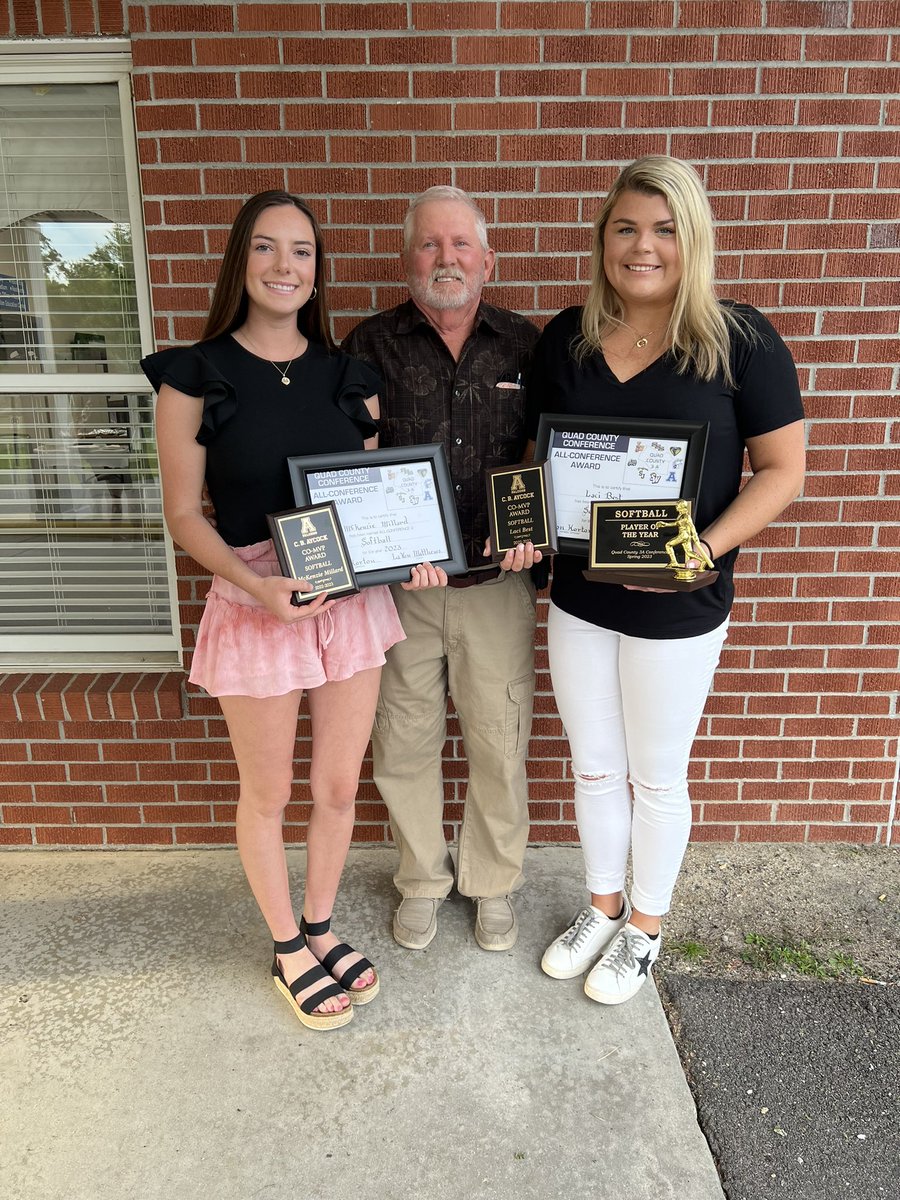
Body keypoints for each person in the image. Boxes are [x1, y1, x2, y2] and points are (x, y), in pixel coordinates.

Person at [142, 190, 445, 1031]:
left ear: (319, 270)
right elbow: (182, 515)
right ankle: (285, 945)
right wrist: (254, 589)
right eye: (269, 249)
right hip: (255, 598)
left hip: (347, 598)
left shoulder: (352, 377)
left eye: (303, 252)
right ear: (243, 260)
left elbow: (377, 497)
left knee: (339, 784)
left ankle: (320, 924)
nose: (286, 267)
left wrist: (407, 556)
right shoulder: (193, 375)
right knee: (269, 789)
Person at [522, 156, 805, 1004]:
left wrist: (705, 550)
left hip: (680, 606)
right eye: (625, 228)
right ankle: (601, 907)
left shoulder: (741, 341)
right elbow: (539, 463)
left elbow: (783, 470)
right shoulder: (565, 338)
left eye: (665, 229)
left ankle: (645, 927)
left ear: (694, 240)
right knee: (593, 767)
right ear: (604, 239)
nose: (642, 247)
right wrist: (521, 521)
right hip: (581, 597)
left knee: (656, 773)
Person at [343, 186, 541, 952]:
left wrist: (539, 535)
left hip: (498, 585)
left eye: (461, 245)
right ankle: (422, 878)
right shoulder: (366, 345)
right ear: (407, 260)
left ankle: (491, 882)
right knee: (404, 739)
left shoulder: (526, 346)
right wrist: (384, 544)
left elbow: (543, 458)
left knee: (498, 739)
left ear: (487, 261)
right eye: (430, 244)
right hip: (405, 592)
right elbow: (348, 463)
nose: (446, 258)